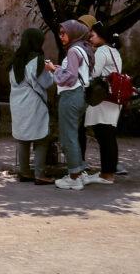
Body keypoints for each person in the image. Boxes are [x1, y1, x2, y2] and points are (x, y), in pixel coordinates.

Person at [45, 19, 93, 190]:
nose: (61, 36)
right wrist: (60, 68)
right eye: (60, 33)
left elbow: (70, 77)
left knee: (68, 137)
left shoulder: (73, 51)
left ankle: (74, 177)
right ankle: (78, 173)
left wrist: (53, 69)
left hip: (70, 97)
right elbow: (75, 73)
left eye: (64, 33)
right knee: (72, 135)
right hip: (79, 96)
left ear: (73, 33)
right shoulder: (83, 49)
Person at [9, 27, 55, 183]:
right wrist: (50, 70)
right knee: (41, 137)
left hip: (17, 104)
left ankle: (24, 172)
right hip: (33, 104)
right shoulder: (37, 60)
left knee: (23, 138)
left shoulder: (15, 60)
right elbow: (46, 83)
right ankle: (40, 175)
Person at [83, 23, 122, 184]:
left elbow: (93, 73)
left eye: (92, 35)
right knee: (108, 135)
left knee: (104, 136)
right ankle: (107, 172)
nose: (90, 38)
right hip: (113, 99)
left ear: (101, 35)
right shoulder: (114, 51)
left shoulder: (101, 51)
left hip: (103, 99)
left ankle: (107, 175)